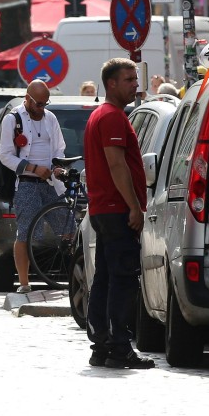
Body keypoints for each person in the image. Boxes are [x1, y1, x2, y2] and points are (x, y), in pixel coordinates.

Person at [83, 58, 157, 370]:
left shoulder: (102, 115)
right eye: (128, 80)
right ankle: (119, 347)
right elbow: (117, 164)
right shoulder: (111, 117)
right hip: (115, 210)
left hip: (104, 210)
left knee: (105, 277)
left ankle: (102, 344)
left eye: (135, 79)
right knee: (123, 279)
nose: (135, 85)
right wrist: (134, 207)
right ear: (111, 83)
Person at [0, 80, 68, 294]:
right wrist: (33, 168)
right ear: (27, 98)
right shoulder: (13, 119)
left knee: (68, 228)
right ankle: (24, 282)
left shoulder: (50, 118)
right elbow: (5, 156)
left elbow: (59, 148)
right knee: (26, 233)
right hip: (26, 183)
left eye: (45, 104)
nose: (42, 108)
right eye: (38, 104)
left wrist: (57, 167)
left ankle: (77, 273)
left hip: (50, 183)